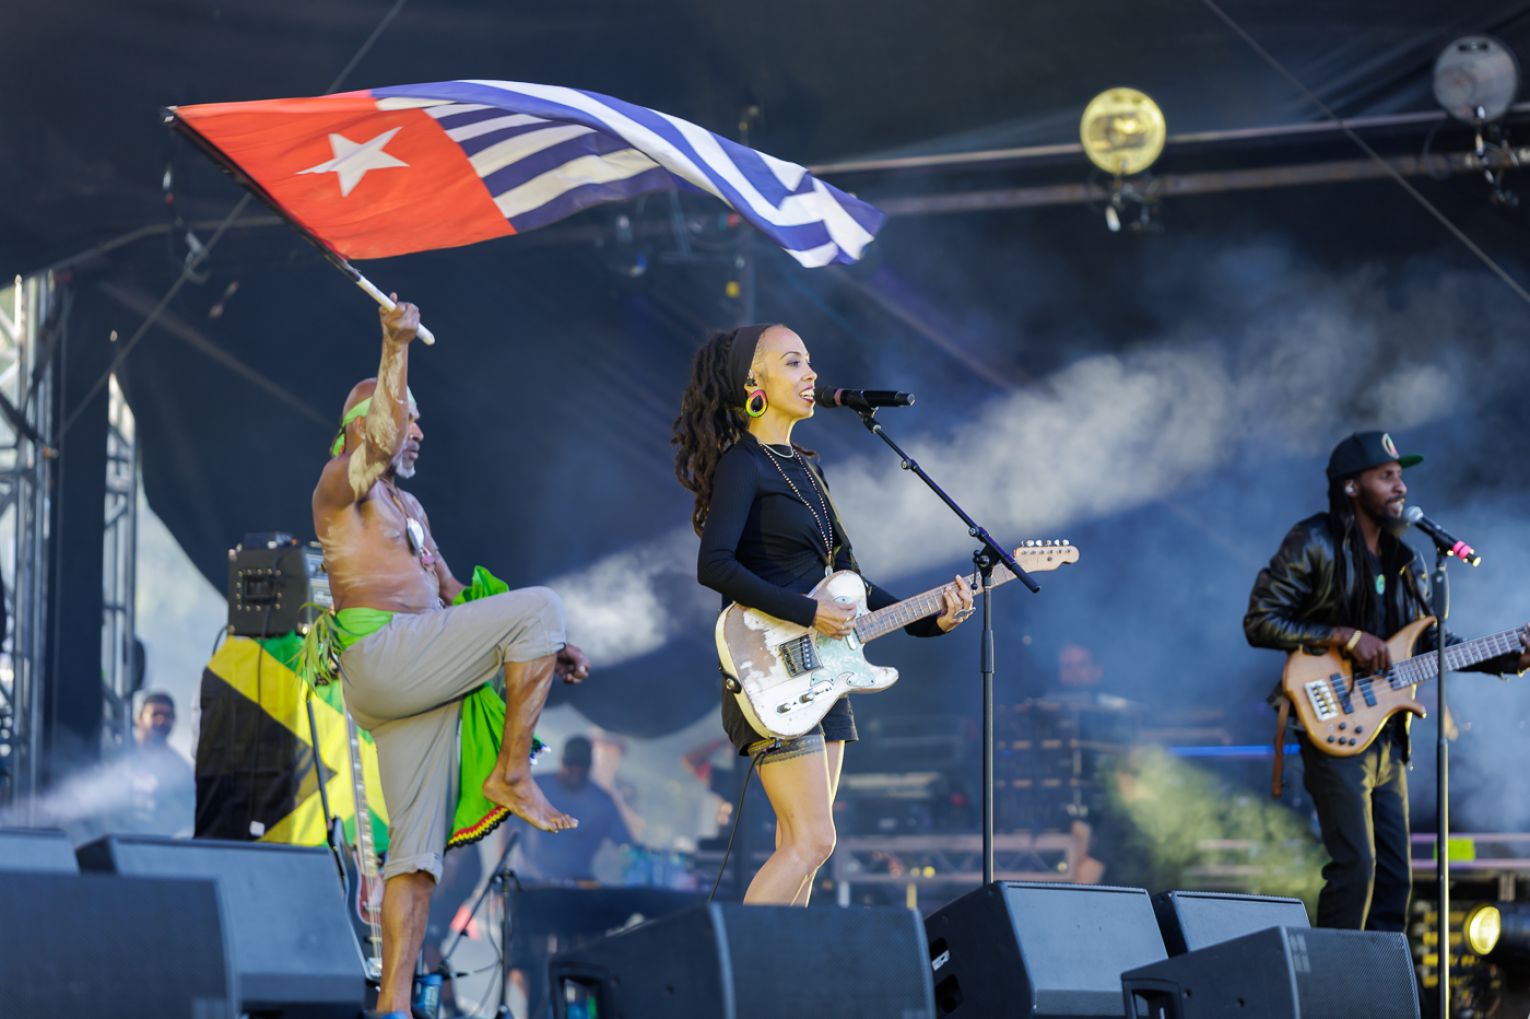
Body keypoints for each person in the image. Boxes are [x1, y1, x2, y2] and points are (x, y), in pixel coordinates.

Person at [311, 298, 591, 1017]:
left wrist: (549, 650)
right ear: (365, 422)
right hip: (382, 655)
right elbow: (377, 442)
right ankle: (513, 772)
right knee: (541, 604)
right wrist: (395, 346)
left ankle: (393, 1006)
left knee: (416, 857)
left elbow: (457, 596)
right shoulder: (340, 484)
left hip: (419, 674)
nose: (418, 430)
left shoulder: (412, 512)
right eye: (409, 416)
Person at [673, 323, 975, 906]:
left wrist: (931, 618)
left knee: (804, 851)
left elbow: (855, 584)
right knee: (813, 842)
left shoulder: (807, 469)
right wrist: (809, 612)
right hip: (771, 668)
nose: (811, 374)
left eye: (809, 361)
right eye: (793, 362)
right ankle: (735, 962)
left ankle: (778, 964)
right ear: (754, 380)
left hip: (823, 673)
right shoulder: (744, 464)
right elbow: (715, 565)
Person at [1244, 430, 1529, 931]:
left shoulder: (1405, 561)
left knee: (1396, 879)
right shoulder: (1314, 541)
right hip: (1330, 720)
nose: (1400, 487)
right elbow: (1260, 621)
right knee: (1356, 869)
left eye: (1400, 476)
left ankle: (1377, 980)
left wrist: (1510, 657)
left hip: (1388, 737)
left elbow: (1430, 641)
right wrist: (1344, 636)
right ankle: (1332, 979)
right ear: (1352, 487)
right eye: (1386, 476)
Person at [519, 736, 634, 882]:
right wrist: (502, 867)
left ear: (589, 768)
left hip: (576, 885)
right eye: (570, 766)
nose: (575, 773)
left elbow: (626, 845)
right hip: (528, 881)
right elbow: (508, 826)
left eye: (581, 768)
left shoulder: (602, 802)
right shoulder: (536, 787)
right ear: (561, 762)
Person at [121, 691, 194, 836]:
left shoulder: (180, 768)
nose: (161, 720)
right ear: (139, 718)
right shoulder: (117, 755)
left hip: (156, 841)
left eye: (168, 716)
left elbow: (186, 815)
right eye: (155, 714)